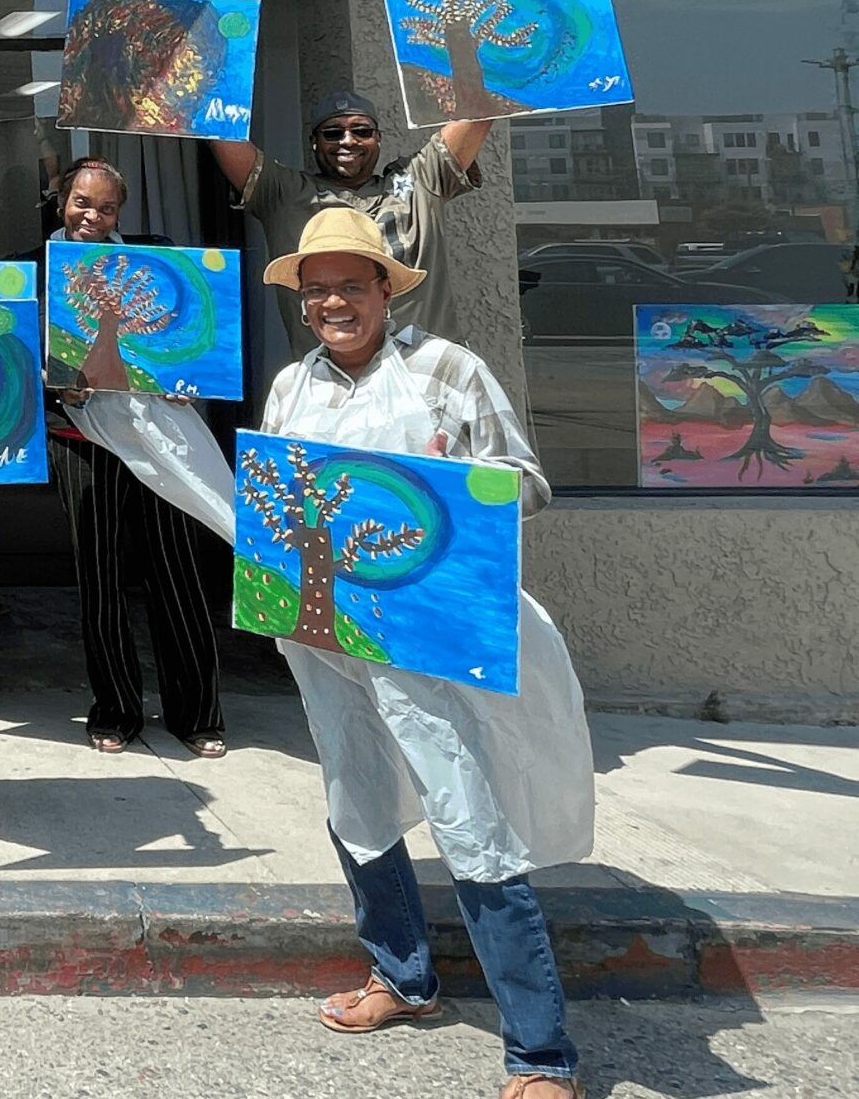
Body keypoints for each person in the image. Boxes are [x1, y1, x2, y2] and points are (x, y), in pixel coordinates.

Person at [72, 207, 593, 1099]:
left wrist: (458, 485)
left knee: (470, 815)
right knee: (356, 791)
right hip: (327, 636)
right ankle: (402, 974)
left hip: (428, 642)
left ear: (386, 288)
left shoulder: (448, 370)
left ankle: (541, 1054)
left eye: (351, 285)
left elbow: (531, 484)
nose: (333, 303)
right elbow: (277, 506)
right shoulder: (291, 386)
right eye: (316, 291)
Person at [44, 158, 225, 759]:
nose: (92, 216)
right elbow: (18, 358)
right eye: (82, 203)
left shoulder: (156, 260)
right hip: (82, 439)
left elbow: (191, 344)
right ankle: (116, 710)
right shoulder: (36, 268)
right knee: (99, 577)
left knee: (176, 568)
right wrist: (56, 389)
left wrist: (187, 377)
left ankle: (196, 712)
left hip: (156, 436)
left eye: (106, 207)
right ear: (61, 200)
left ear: (120, 212)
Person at [209, 90, 492, 349]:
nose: (348, 140)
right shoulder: (284, 194)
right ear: (314, 143)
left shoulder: (419, 179)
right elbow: (217, 123)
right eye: (333, 133)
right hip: (333, 377)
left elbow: (482, 107)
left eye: (361, 131)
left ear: (378, 138)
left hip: (426, 371)